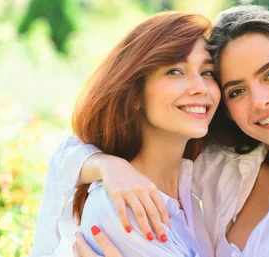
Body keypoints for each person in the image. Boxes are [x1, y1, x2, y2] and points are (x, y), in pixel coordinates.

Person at [56, 5, 269, 257]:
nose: (261, 102)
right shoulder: (230, 163)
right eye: (236, 90)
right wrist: (107, 166)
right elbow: (67, 159)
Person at [30, 11, 220, 257]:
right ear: (134, 95)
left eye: (208, 73)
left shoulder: (192, 199)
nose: (200, 87)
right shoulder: (124, 208)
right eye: (175, 71)